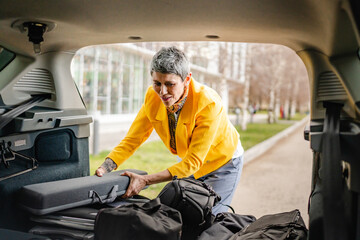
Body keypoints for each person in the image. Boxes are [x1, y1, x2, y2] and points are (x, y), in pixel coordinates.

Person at [95, 46, 244, 214]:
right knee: (178, 216)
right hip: (192, 166)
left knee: (209, 218)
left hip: (224, 164)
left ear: (187, 79)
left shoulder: (208, 102)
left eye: (170, 84)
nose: (162, 92)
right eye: (157, 83)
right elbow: (134, 138)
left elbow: (193, 162)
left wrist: (145, 180)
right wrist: (107, 166)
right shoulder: (152, 96)